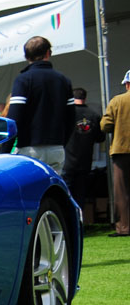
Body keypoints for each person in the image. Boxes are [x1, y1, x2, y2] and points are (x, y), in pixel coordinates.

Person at [6, 36, 74, 174]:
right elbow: (71, 118)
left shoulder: (23, 80)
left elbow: (14, 119)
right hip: (56, 147)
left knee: (29, 187)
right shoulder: (63, 80)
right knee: (53, 186)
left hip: (29, 148)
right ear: (48, 53)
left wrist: (5, 151)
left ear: (26, 56)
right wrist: (61, 142)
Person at [63, 88, 105, 219]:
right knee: (80, 195)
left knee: (65, 194)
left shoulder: (66, 114)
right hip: (85, 161)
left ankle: (67, 222)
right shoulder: (94, 115)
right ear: (85, 98)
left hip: (67, 161)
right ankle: (79, 221)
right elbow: (101, 138)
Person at [102, 69, 130, 237]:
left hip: (122, 150)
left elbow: (105, 126)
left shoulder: (117, 101)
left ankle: (124, 227)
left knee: (122, 191)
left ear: (127, 84)